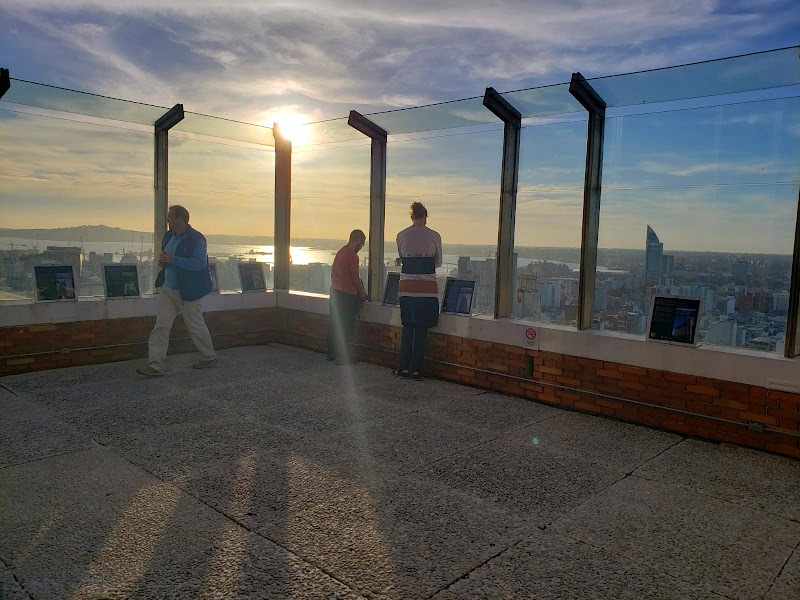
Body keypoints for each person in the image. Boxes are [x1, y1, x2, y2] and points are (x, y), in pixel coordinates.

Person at [137, 205, 216, 376]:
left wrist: (173, 259)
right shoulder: (169, 236)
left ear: (180, 219)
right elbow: (167, 257)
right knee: (161, 326)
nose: (168, 219)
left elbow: (199, 264)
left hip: (187, 290)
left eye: (171, 216)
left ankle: (209, 356)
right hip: (168, 288)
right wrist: (164, 262)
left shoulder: (196, 239)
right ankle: (155, 365)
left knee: (195, 325)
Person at [395, 202, 442, 380]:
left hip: (406, 289)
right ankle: (417, 370)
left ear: (412, 216)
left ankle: (403, 368)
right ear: (425, 216)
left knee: (407, 328)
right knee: (421, 331)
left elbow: (401, 258)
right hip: (427, 290)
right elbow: (438, 262)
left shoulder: (401, 235)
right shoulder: (434, 236)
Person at [327, 229, 368, 365]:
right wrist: (362, 292)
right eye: (362, 243)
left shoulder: (341, 252)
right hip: (347, 295)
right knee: (346, 326)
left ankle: (332, 353)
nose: (361, 247)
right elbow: (355, 278)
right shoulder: (352, 256)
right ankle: (343, 357)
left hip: (335, 292)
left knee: (335, 324)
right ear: (357, 240)